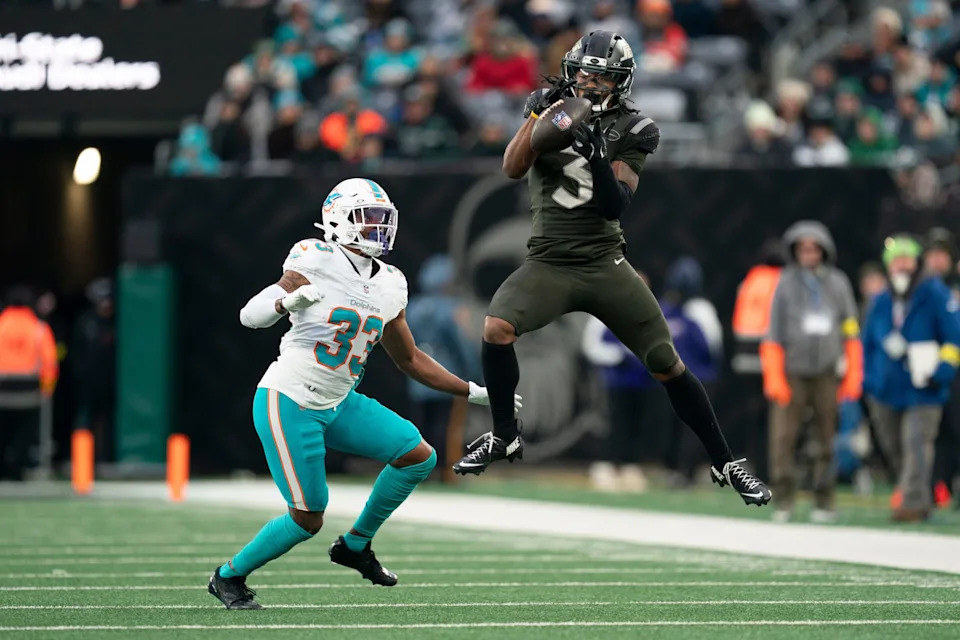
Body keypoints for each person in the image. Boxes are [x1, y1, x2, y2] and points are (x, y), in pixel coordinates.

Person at [452, 30, 771, 508]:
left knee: (666, 362)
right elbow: (512, 168)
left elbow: (614, 205)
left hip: (604, 262)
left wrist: (598, 154)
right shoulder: (551, 108)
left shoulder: (635, 127)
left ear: (620, 81)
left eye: (602, 76)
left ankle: (725, 462)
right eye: (585, 73)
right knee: (496, 327)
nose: (591, 82)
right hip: (549, 261)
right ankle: (504, 436)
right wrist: (537, 120)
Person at [208, 178, 521, 609]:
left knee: (418, 456)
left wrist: (472, 391)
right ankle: (228, 576)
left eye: (382, 218)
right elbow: (250, 315)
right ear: (337, 220)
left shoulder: (391, 281)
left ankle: (355, 545)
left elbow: (410, 359)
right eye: (367, 217)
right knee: (307, 517)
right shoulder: (314, 257)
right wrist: (285, 303)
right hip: (291, 399)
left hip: (339, 402)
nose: (378, 226)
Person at [762, 221, 861, 523]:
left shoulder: (838, 283)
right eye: (803, 249)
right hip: (792, 371)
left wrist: (853, 370)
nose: (809, 254)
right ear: (795, 251)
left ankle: (824, 500)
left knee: (826, 438)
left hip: (827, 371)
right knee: (783, 438)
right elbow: (773, 332)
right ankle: (783, 500)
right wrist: (774, 375)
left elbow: (850, 328)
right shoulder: (785, 283)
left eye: (814, 248)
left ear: (823, 251)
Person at [863, 234, 960, 521]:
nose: (902, 266)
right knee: (894, 448)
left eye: (907, 260)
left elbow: (953, 337)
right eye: (896, 261)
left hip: (924, 388)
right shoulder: (881, 301)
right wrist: (869, 380)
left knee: (916, 443)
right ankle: (913, 494)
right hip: (886, 389)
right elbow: (867, 344)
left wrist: (942, 371)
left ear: (917, 262)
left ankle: (914, 504)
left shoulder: (935, 293)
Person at [405, 254, 478, 478]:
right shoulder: (452, 309)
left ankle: (421, 469)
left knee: (421, 425)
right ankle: (445, 471)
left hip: (417, 377)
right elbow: (462, 345)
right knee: (447, 426)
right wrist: (473, 374)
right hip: (446, 375)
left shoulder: (412, 308)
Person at [0, 286, 58, 480]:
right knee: (26, 427)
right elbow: (50, 363)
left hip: (2, 390)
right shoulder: (39, 328)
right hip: (29, 393)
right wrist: (47, 390)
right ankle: (17, 468)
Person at [72, 278, 116, 463]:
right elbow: (78, 352)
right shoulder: (86, 322)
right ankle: (81, 458)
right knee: (85, 416)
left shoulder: (116, 322)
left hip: (109, 379)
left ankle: (104, 456)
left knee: (106, 418)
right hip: (88, 380)